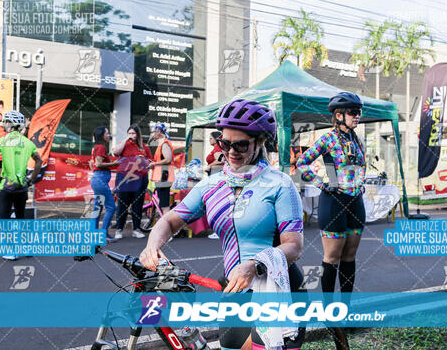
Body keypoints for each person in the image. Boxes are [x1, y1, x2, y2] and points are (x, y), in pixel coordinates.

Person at [140, 99, 306, 350]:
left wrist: (255, 264)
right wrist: (152, 245)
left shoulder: (279, 183)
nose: (230, 151)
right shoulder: (212, 184)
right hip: (234, 291)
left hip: (277, 292)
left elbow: (293, 246)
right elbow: (171, 220)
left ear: (260, 141)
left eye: (240, 144)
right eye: (224, 142)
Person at [296, 92, 366, 294]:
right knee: (333, 256)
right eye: (353, 112)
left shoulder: (357, 140)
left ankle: (346, 308)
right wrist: (322, 184)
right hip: (334, 200)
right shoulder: (328, 139)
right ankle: (329, 310)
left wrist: (359, 185)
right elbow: (302, 163)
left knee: (350, 255)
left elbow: (361, 167)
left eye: (358, 112)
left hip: (356, 201)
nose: (357, 115)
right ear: (338, 115)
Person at [0, 111, 42, 261]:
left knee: (4, 218)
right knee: (20, 217)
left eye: (5, 122)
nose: (4, 124)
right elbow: (39, 161)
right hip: (22, 185)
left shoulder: (3, 141)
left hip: (5, 185)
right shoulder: (28, 142)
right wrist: (32, 179)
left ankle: (10, 250)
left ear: (10, 124)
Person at [111, 124, 153, 240]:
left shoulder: (144, 147)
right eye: (129, 133)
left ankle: (136, 229)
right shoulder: (124, 144)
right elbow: (115, 152)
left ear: (138, 134)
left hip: (140, 178)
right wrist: (125, 140)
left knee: (138, 204)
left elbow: (150, 162)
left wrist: (143, 163)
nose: (131, 135)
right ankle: (119, 229)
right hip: (124, 177)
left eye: (133, 133)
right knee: (122, 204)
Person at [90, 126, 120, 242]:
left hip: (97, 180)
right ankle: (104, 235)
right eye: (107, 133)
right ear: (102, 135)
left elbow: (94, 164)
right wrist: (115, 163)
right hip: (100, 180)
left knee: (97, 208)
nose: (109, 135)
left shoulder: (96, 147)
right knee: (111, 207)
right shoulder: (101, 147)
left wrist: (112, 164)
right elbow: (98, 164)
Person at [150, 122, 175, 216]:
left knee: (165, 205)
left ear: (158, 132)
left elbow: (168, 159)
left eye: (153, 132)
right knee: (163, 204)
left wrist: (154, 163)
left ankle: (166, 227)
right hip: (162, 177)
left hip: (164, 177)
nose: (152, 134)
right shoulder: (162, 144)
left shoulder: (164, 144)